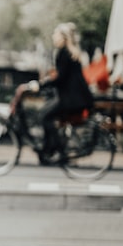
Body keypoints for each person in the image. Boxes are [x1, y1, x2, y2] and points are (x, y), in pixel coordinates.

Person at [29, 22, 94, 162]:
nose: (53, 37)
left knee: (45, 116)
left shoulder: (63, 53)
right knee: (46, 112)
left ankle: (57, 149)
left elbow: (60, 78)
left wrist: (41, 85)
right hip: (76, 97)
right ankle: (49, 149)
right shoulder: (71, 52)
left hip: (71, 99)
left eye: (55, 34)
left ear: (63, 38)